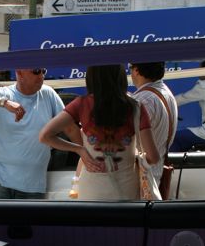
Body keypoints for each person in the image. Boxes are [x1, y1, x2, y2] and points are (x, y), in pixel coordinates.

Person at [38, 64, 159, 201]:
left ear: (91, 77)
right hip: (126, 190)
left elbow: (45, 136)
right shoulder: (136, 107)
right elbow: (153, 157)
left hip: (91, 191)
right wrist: (134, 158)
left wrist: (79, 149)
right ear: (120, 76)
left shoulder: (81, 104)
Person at [0, 68, 64, 198]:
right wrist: (4, 103)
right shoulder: (2, 94)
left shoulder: (48, 94)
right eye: (36, 71)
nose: (41, 76)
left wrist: (82, 151)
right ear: (19, 72)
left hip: (32, 185)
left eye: (44, 71)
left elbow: (69, 126)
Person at [129, 62, 178, 186]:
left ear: (136, 70)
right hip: (154, 174)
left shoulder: (142, 100)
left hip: (140, 177)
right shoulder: (166, 93)